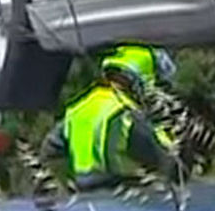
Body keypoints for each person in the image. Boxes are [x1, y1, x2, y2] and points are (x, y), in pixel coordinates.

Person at [38, 43, 185, 192]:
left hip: (85, 200)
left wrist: (64, 185)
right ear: (139, 79)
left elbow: (48, 152)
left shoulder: (78, 108)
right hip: (125, 200)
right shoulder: (124, 113)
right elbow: (168, 163)